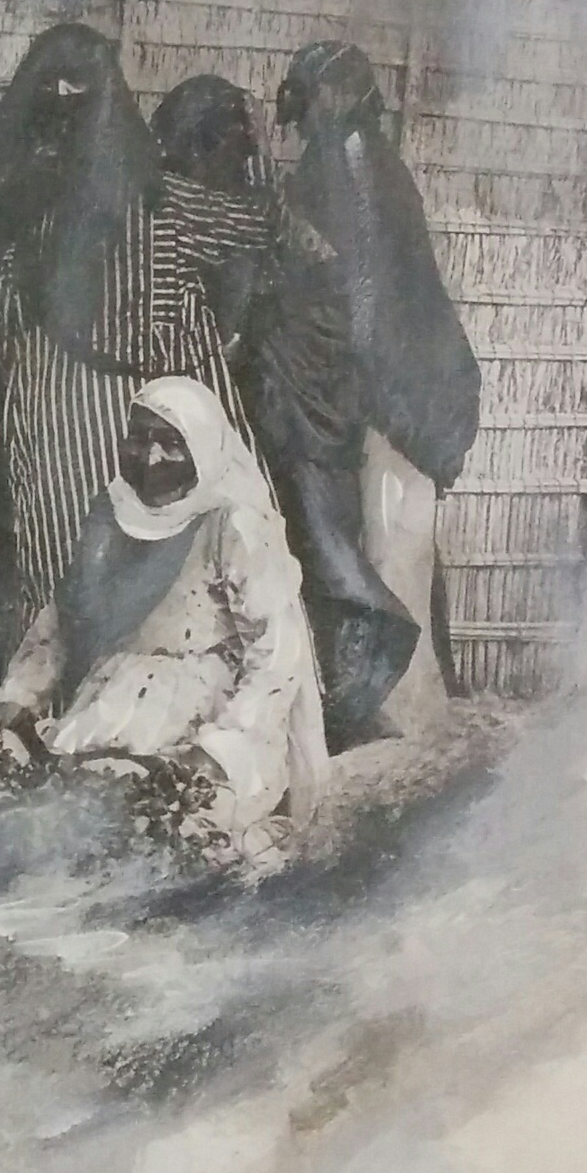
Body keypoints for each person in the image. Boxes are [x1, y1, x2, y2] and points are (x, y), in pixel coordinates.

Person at [152, 72, 422, 745]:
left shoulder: (250, 212)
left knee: (288, 551)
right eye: (226, 144)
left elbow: (321, 284)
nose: (237, 156)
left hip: (271, 409)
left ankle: (322, 700)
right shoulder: (205, 208)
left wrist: (263, 327)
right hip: (228, 406)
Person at [0, 22, 241, 631]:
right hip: (100, 406)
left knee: (100, 564)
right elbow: (258, 235)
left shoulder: (140, 195)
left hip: (86, 402)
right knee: (94, 566)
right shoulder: (154, 198)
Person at [0, 375, 326, 841]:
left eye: (171, 442)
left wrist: (222, 749)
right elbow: (64, 618)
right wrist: (19, 695)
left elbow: (277, 651)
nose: (150, 457)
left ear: (202, 446)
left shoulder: (232, 523)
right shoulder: (110, 516)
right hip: (112, 705)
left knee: (170, 825)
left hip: (210, 716)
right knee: (61, 813)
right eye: (138, 438)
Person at [273, 41, 482, 731]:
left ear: (341, 96)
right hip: (390, 386)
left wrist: (353, 379)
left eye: (315, 97)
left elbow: (363, 290)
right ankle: (398, 712)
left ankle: (405, 718)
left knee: (393, 549)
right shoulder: (351, 159)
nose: (307, 113)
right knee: (390, 549)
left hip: (399, 390)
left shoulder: (352, 161)